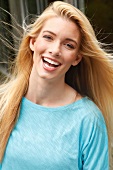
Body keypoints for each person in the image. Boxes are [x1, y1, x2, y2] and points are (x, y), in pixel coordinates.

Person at [0, 1, 113, 169]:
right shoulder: (3, 102)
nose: (55, 50)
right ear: (33, 42)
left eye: (68, 45)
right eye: (48, 37)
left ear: (76, 58)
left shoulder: (88, 120)